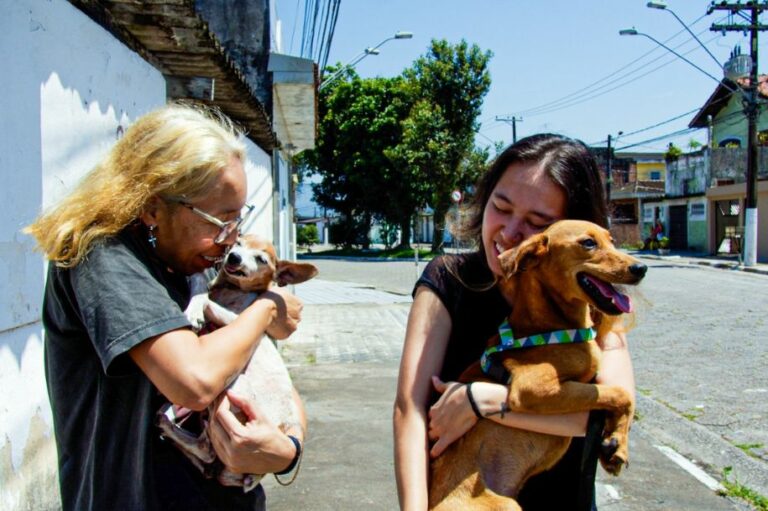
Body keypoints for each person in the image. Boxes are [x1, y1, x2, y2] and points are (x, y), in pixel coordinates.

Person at [25, 103, 306, 511]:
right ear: (154, 208)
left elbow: (277, 381)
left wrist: (287, 448)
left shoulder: (195, 262)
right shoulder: (102, 256)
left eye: (238, 220)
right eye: (220, 220)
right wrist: (264, 310)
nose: (231, 239)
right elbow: (194, 381)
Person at [393, 134, 636, 511]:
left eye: (537, 222)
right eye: (501, 207)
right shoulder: (449, 280)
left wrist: (484, 400)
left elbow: (601, 414)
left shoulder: (591, 303)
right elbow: (410, 409)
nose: (509, 233)